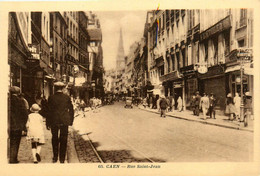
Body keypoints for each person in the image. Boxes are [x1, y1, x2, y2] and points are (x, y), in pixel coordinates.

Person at [47, 81, 74, 163]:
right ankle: (62, 158)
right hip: (64, 121)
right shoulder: (67, 97)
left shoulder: (51, 97)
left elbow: (49, 111)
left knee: (54, 138)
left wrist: (48, 122)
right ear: (62, 88)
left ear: (55, 88)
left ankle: (55, 157)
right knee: (64, 139)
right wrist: (70, 121)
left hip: (54, 121)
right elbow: (71, 110)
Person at [9, 86, 28, 163]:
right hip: (17, 125)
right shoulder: (20, 101)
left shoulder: (7, 100)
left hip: (8, 124)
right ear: (18, 93)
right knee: (15, 142)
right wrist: (24, 125)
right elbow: (24, 114)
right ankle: (13, 158)